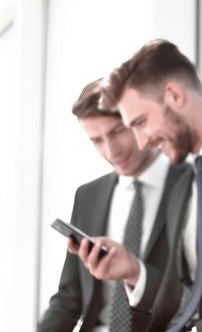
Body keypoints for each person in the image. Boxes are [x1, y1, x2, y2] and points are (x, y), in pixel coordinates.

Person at [99, 39, 202, 332]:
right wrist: (132, 270)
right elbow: (188, 298)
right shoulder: (181, 185)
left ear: (174, 95)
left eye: (141, 122)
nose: (142, 142)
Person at [38, 78, 192, 332]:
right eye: (96, 140)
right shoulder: (88, 195)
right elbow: (70, 297)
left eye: (117, 131)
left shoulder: (193, 185)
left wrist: (135, 271)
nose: (111, 151)